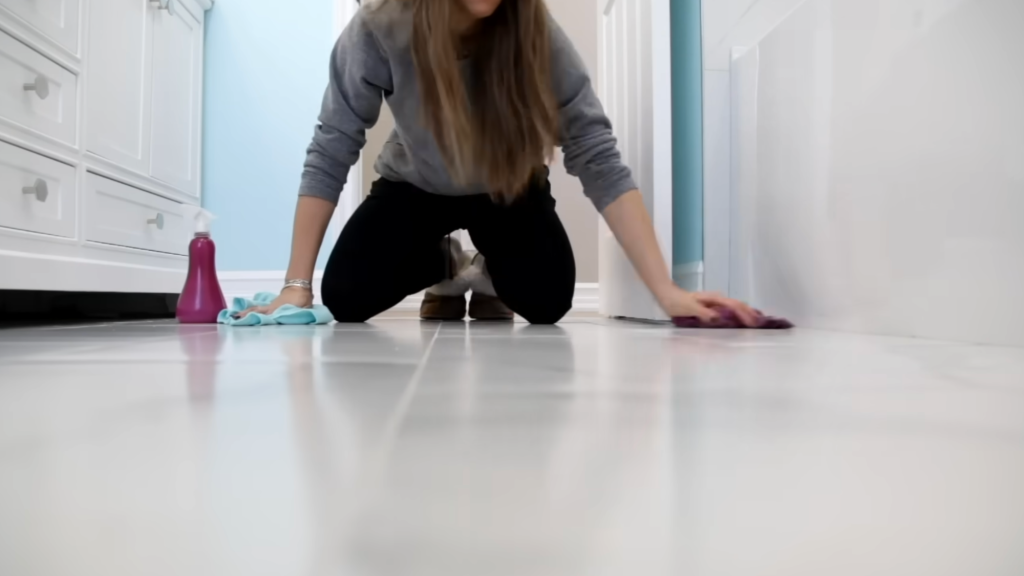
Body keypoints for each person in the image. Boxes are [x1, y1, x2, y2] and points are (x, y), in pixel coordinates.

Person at [244, 0, 758, 326]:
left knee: (548, 301)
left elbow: (595, 152)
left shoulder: (536, 32)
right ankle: (446, 263)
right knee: (346, 296)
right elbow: (333, 143)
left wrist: (666, 291)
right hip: (415, 185)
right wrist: (295, 286)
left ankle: (488, 270)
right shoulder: (382, 25)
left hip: (508, 185)